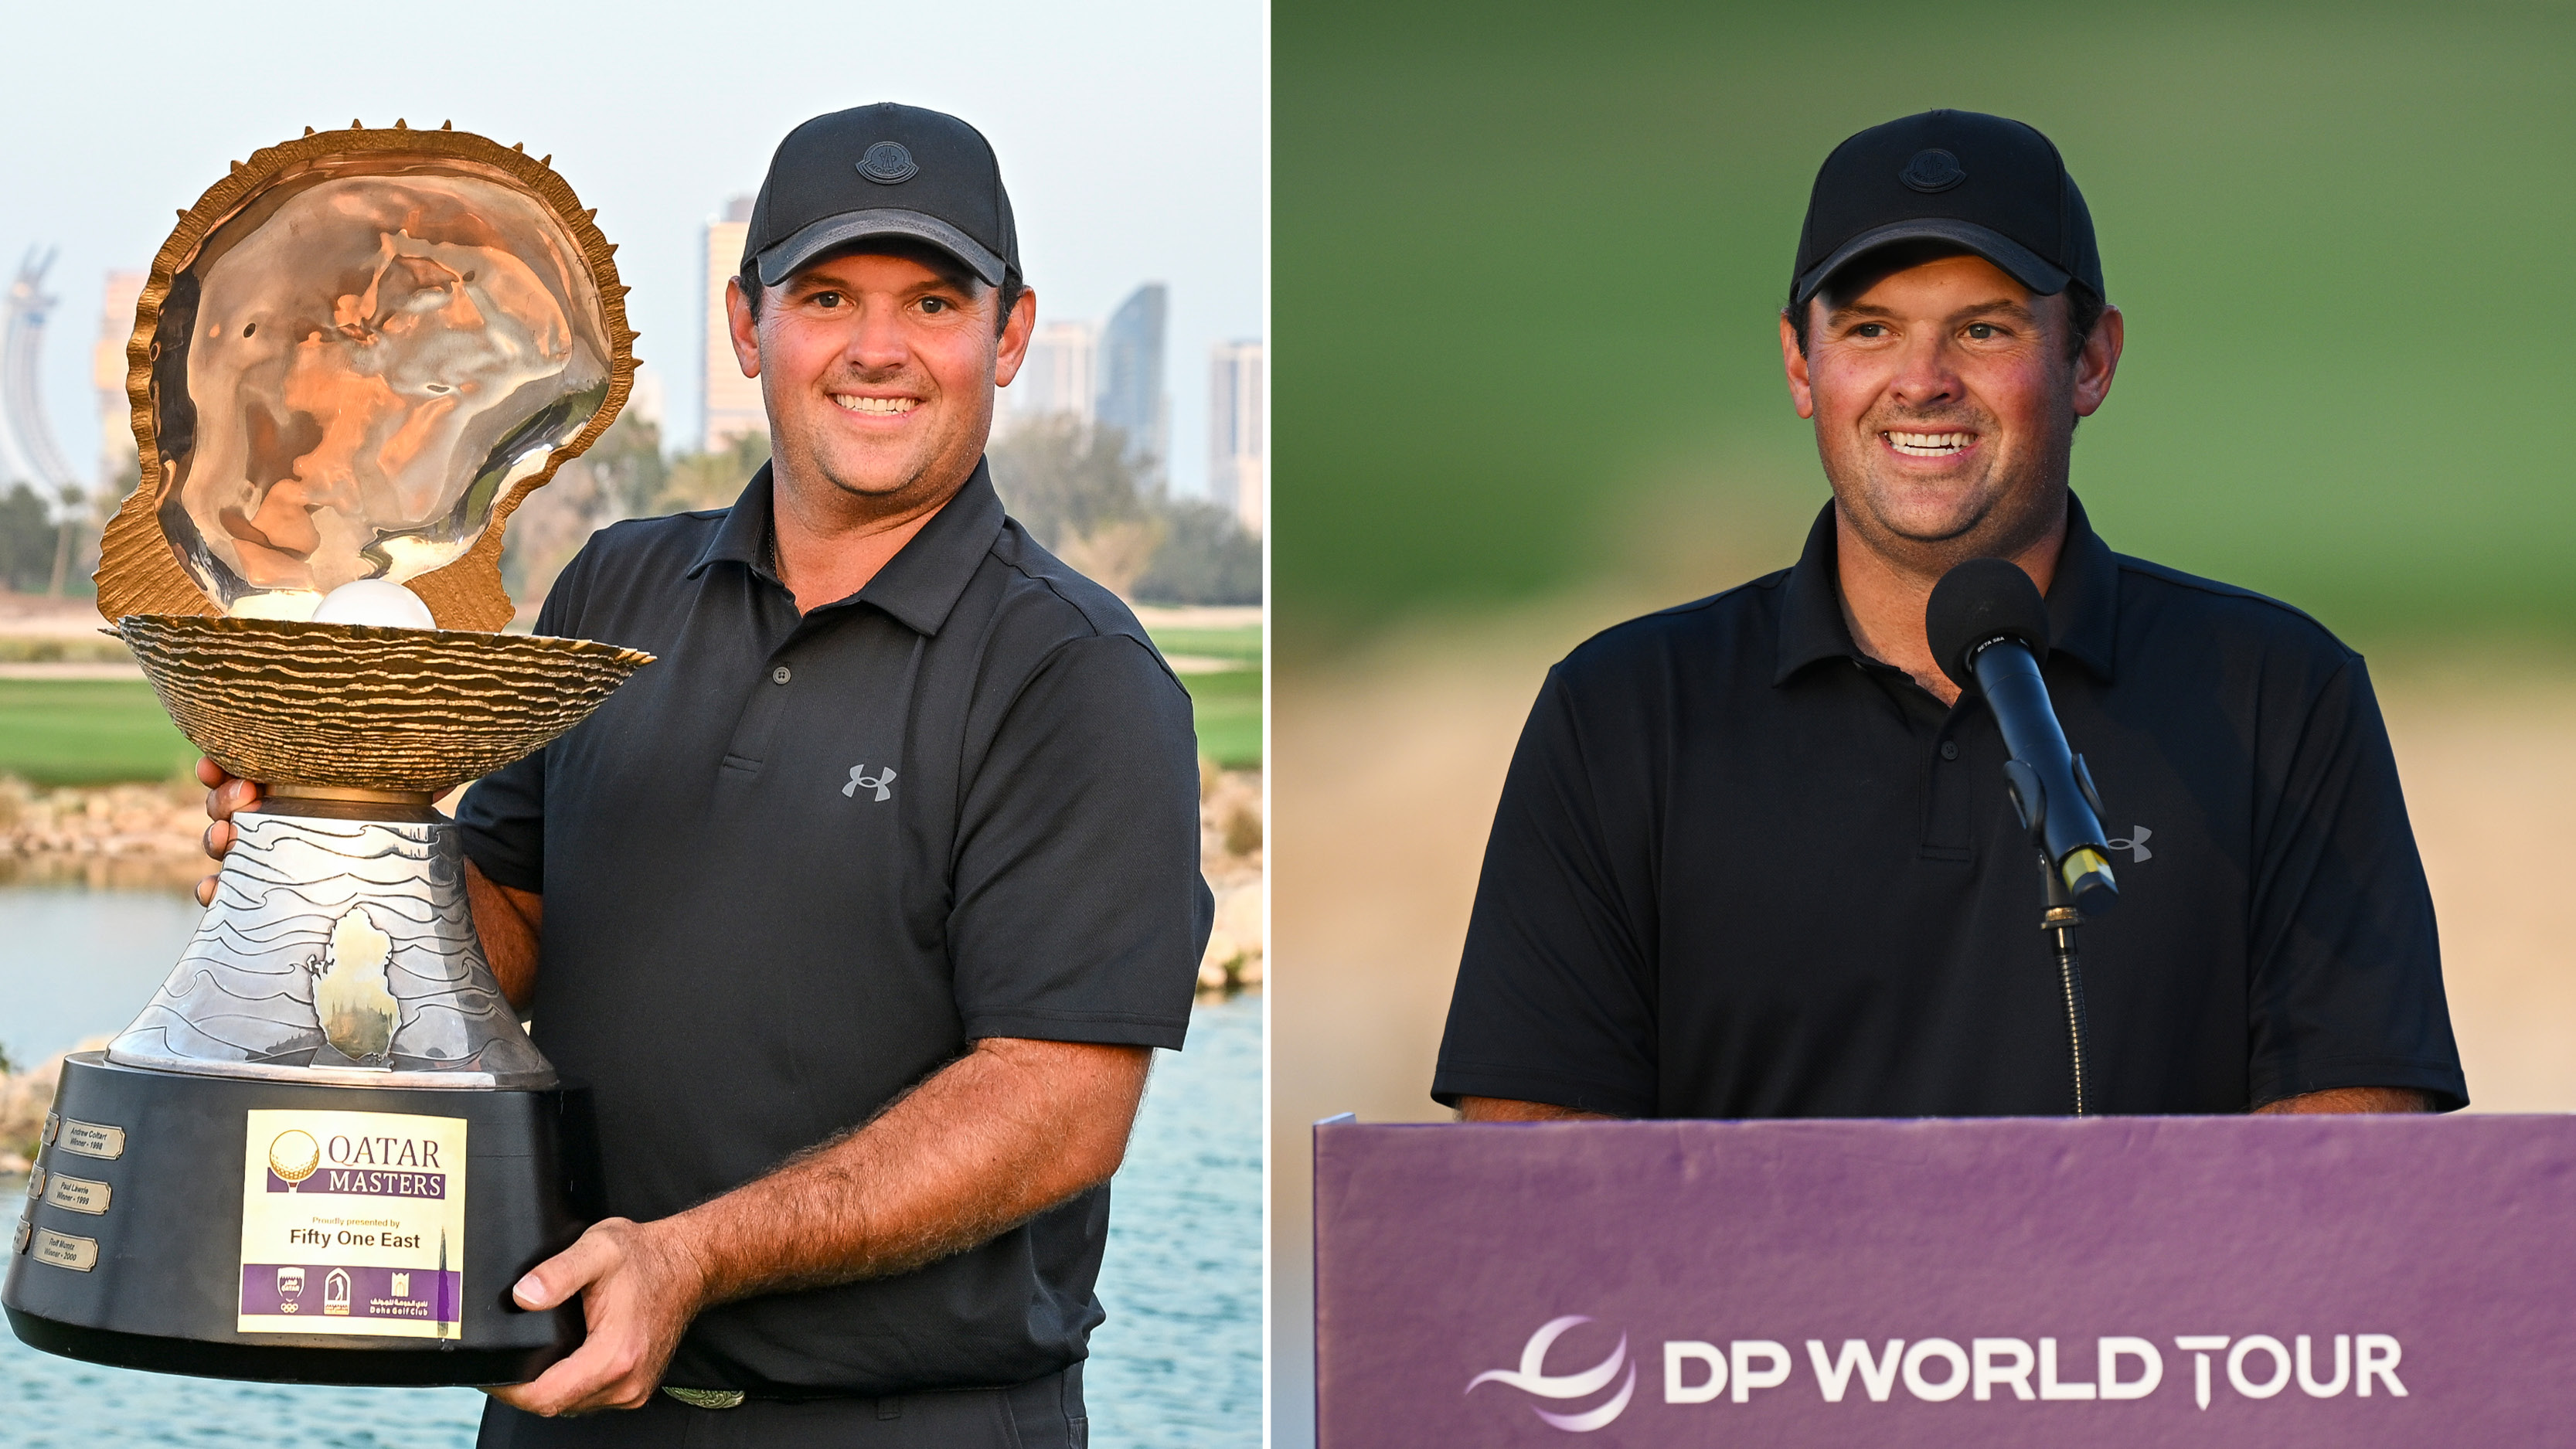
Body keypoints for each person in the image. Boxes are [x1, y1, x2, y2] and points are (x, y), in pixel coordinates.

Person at [201, 102, 1211, 1446]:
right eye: (826, 295)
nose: (876, 349)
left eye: (931, 302)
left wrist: (692, 1257)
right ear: (747, 325)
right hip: (565, 1396)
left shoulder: (1073, 672)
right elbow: (504, 939)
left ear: (1008, 334)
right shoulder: (616, 583)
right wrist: (345, 843)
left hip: (907, 1423)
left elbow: (1059, 1105)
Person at [1431, 109, 2465, 1124]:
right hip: (1742, 1302)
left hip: (2159, 1301)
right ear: (1802, 364)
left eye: (1983, 330)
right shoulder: (1620, 712)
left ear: (2091, 361)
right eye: (1871, 330)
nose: (1921, 384)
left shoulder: (2277, 692)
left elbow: (2346, 1145)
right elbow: (1532, 1168)